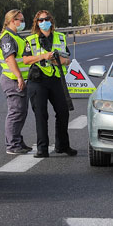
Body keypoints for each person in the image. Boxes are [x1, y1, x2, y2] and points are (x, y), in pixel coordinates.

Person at [22, 10, 77, 158]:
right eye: (40, 20)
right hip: (37, 80)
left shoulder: (60, 37)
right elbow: (26, 60)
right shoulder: (31, 40)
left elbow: (67, 60)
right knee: (41, 115)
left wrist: (57, 60)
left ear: (51, 21)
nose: (43, 22)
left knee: (63, 112)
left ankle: (62, 146)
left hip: (56, 79)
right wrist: (44, 56)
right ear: (37, 23)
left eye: (46, 19)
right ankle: (42, 149)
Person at [0, 9, 33, 154]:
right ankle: (12, 145)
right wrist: (19, 76)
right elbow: (10, 59)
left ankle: (17, 140)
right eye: (20, 20)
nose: (22, 22)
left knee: (21, 112)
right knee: (16, 112)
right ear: (12, 21)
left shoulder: (15, 36)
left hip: (19, 79)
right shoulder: (7, 37)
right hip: (12, 80)